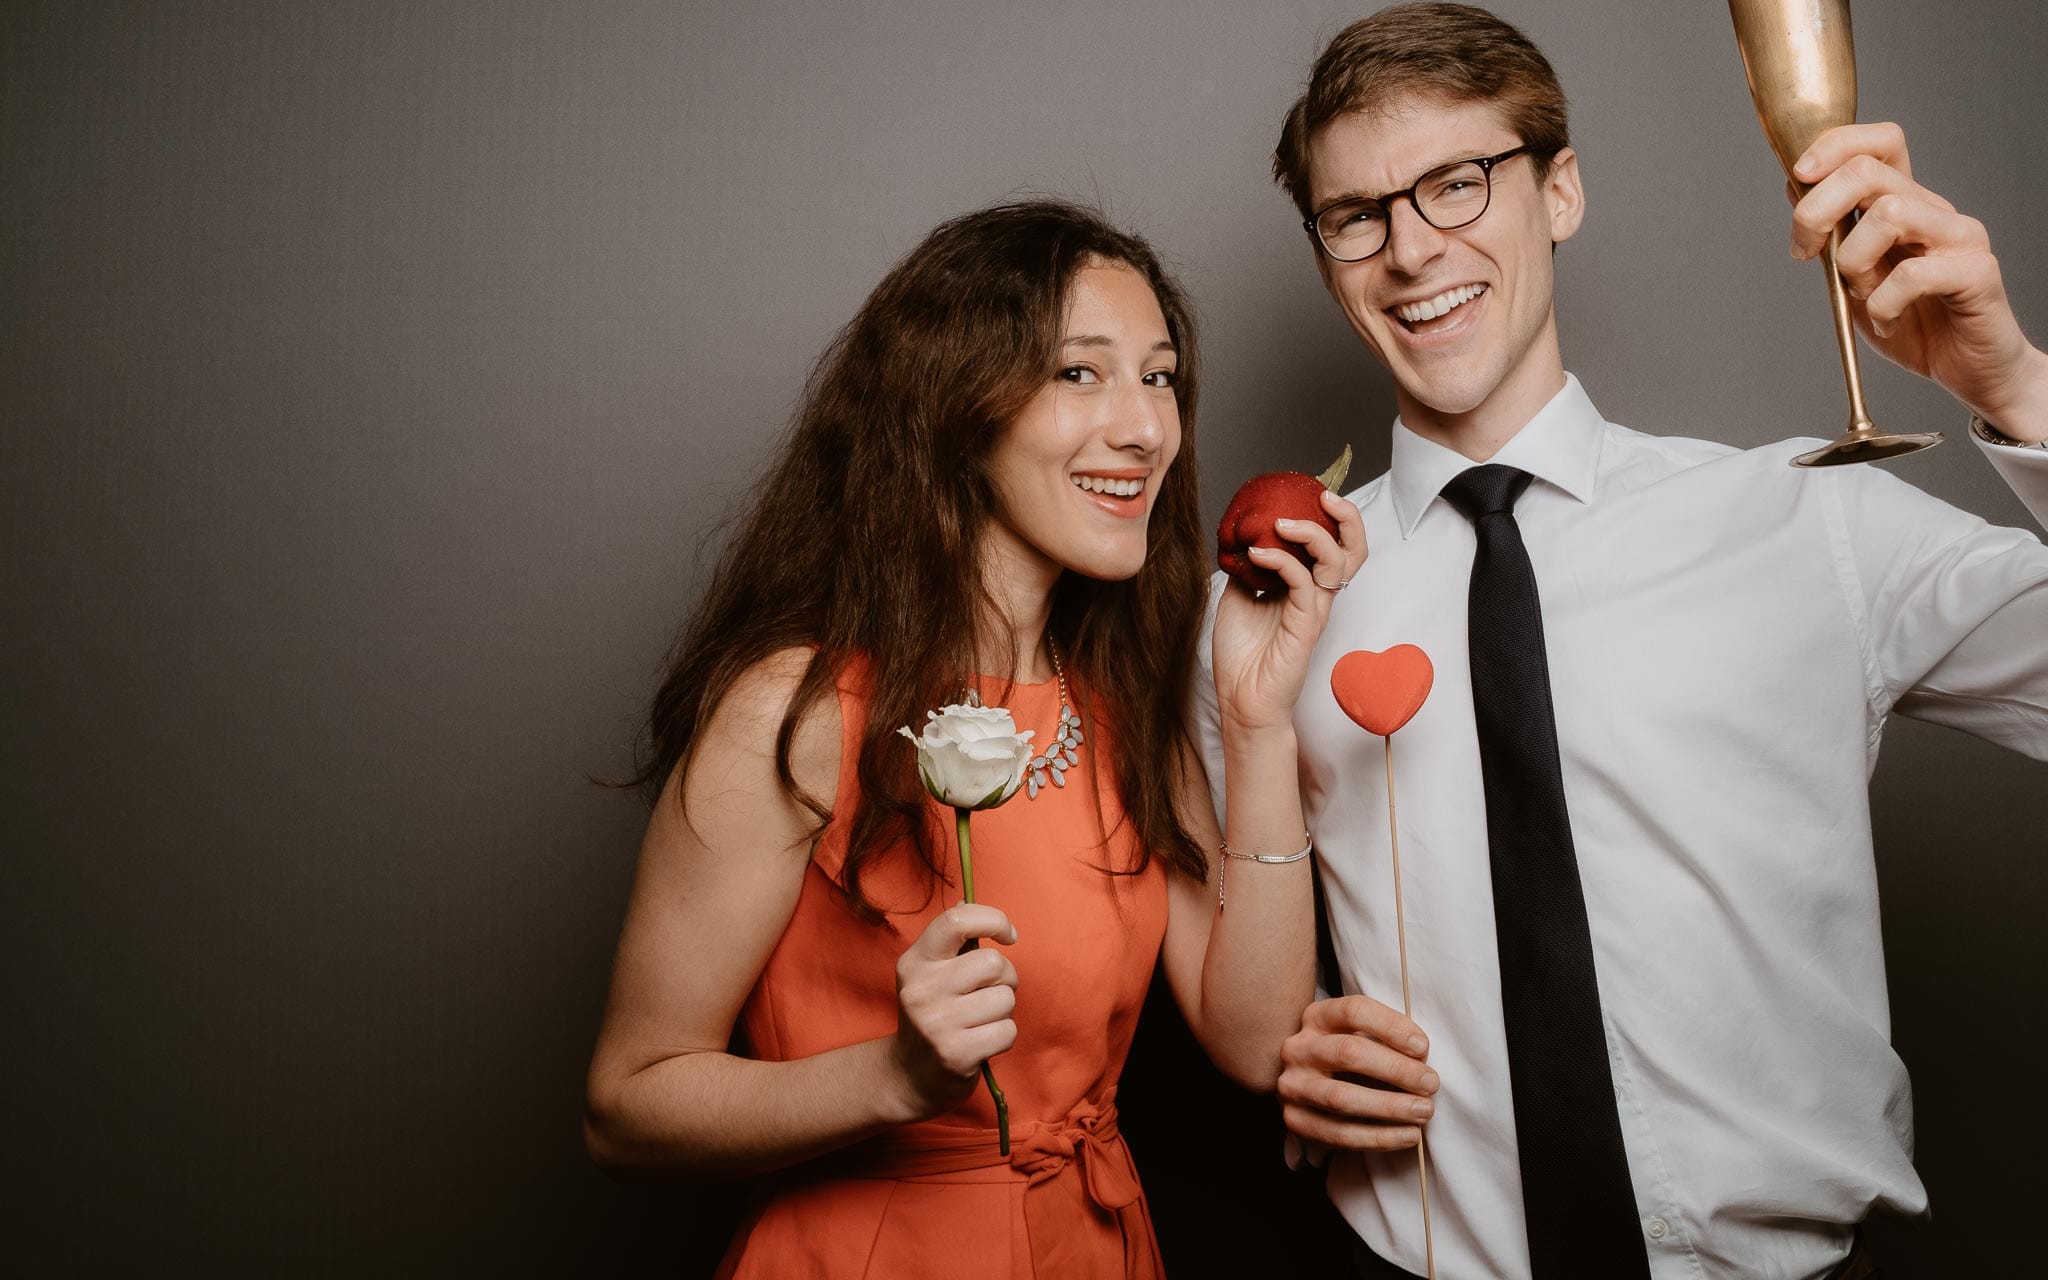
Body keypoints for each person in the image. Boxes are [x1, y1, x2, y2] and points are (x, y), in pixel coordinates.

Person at [1188, 5, 2048, 1279]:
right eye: (1356, 214)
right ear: (1326, 255)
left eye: (1455, 183)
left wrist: (2015, 386)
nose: (1411, 249)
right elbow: (1239, 957)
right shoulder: (1269, 604)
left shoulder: (1808, 515)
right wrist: (1297, 1042)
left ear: (1560, 190)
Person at [584, 199, 1363, 1279]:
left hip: (1094, 1245)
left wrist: (1255, 717)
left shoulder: (1121, 698)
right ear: (957, 406)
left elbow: (1253, 1034)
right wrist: (891, 1078)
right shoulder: (796, 710)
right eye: (1079, 373)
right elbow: (626, 1104)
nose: (1144, 425)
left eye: (1159, 375)